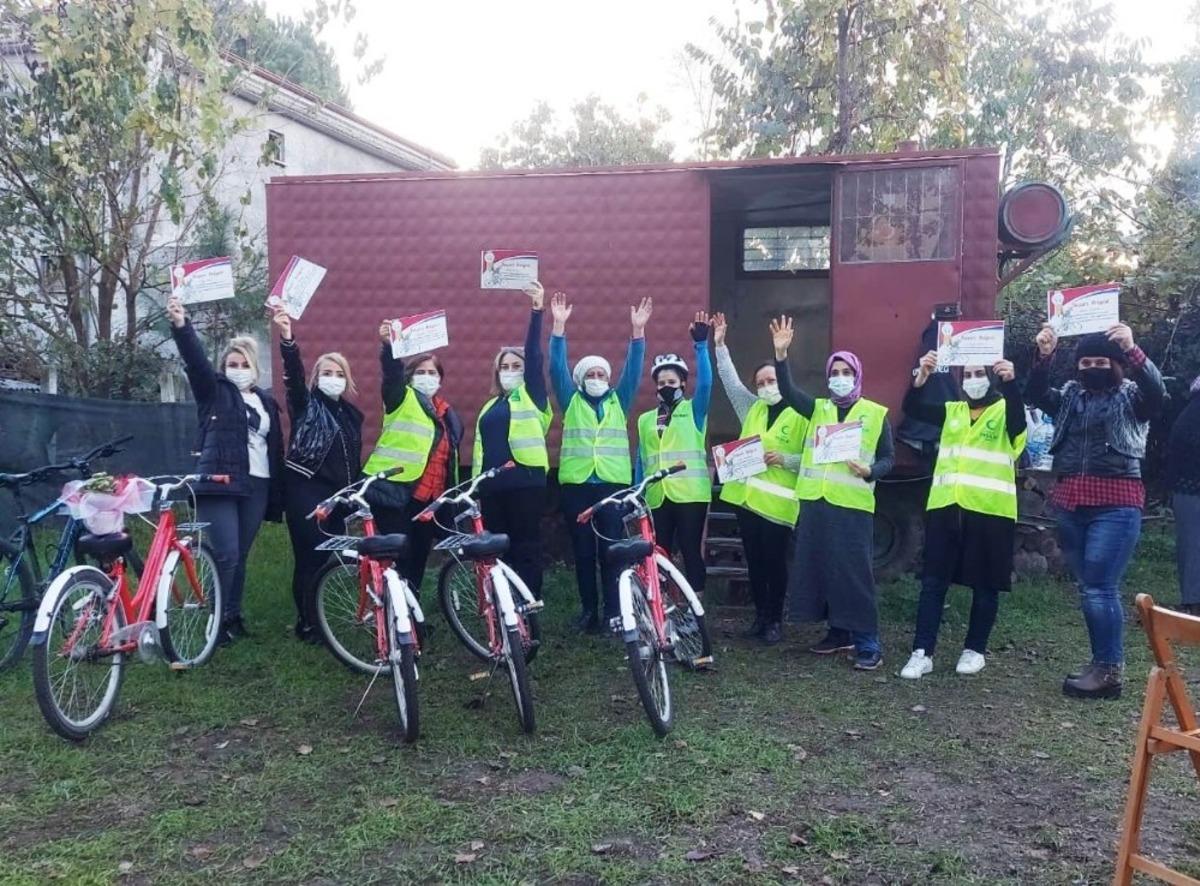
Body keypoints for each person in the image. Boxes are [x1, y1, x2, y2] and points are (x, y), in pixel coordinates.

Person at [1026, 323, 1165, 700]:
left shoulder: (1132, 395)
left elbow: (1158, 395)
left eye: (1100, 361)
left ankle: (1109, 671)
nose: (1092, 368)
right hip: (1072, 502)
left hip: (1116, 502)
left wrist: (1134, 349)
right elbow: (1035, 394)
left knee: (1100, 588)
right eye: (1085, 362)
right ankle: (1101, 663)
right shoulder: (1071, 395)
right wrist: (1044, 356)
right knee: (1090, 588)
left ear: (1116, 364)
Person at [770, 316, 894, 670]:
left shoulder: (874, 414)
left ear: (857, 375)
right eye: (835, 372)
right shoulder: (818, 409)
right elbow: (788, 392)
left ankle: (867, 641)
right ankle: (838, 632)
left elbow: (888, 458)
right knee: (823, 569)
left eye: (846, 372)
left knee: (854, 573)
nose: (840, 377)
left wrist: (871, 471)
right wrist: (781, 356)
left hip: (852, 507)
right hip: (816, 504)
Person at [899, 353, 1026, 679]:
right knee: (932, 582)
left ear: (991, 377)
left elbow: (1018, 426)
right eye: (967, 375)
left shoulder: (1005, 409)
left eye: (979, 373)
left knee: (986, 585)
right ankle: (922, 652)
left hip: (990, 511)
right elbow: (913, 408)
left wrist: (1011, 383)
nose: (972, 380)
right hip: (946, 508)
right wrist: (921, 377)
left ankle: (975, 650)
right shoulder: (953, 410)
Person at [167, 295, 283, 644]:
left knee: (240, 554)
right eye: (232, 363)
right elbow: (196, 362)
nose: (238, 368)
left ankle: (232, 615)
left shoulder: (266, 401)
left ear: (255, 368)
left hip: (257, 483)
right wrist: (181, 326)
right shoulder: (214, 391)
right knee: (226, 553)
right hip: (219, 481)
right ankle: (215, 622)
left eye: (244, 363)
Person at [551, 292, 653, 633]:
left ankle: (613, 611)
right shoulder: (570, 400)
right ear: (581, 380)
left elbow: (634, 372)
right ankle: (588, 611)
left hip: (612, 486)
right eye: (591, 374)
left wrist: (638, 333)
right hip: (578, 487)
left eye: (602, 374)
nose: (597, 378)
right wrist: (559, 328)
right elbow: (556, 368)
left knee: (611, 550)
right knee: (582, 552)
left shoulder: (619, 401)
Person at [711, 312, 807, 645]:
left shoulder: (802, 414)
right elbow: (730, 382)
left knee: (775, 564)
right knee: (754, 562)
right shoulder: (752, 408)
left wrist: (785, 459)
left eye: (772, 380)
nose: (766, 387)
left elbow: (813, 459)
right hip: (747, 502)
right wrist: (720, 346)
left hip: (778, 507)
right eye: (761, 383)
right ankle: (760, 617)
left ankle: (775, 620)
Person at [273, 307, 364, 642]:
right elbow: (293, 378)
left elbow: (351, 457)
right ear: (316, 377)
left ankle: (321, 618)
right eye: (326, 372)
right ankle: (308, 623)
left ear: (347, 379)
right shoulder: (306, 404)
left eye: (338, 372)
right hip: (306, 493)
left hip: (338, 496)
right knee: (311, 558)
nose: (332, 377)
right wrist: (288, 340)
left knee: (328, 560)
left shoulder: (351, 415)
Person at [361, 322, 463, 596]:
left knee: (418, 558)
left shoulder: (447, 413)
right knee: (399, 558)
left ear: (440, 379)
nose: (427, 376)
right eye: (421, 371)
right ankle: (392, 614)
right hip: (397, 492)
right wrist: (388, 347)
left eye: (432, 372)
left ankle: (412, 612)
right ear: (410, 376)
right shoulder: (401, 397)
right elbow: (391, 374)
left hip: (429, 500)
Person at [472, 283, 552, 600]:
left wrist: (536, 311)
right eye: (504, 367)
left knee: (526, 547)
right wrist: (476, 487)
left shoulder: (532, 396)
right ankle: (504, 609)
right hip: (492, 488)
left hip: (525, 483)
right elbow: (480, 449)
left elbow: (534, 355)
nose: (509, 371)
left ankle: (528, 605)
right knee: (497, 551)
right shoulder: (489, 406)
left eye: (515, 366)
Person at [635, 312, 714, 599]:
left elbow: (706, 384)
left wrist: (701, 346)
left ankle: (696, 604)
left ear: (682, 383)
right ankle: (663, 604)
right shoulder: (645, 420)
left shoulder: (694, 410)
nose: (666, 386)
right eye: (661, 382)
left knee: (691, 550)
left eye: (672, 381)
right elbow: (641, 459)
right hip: (657, 496)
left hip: (690, 494)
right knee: (659, 551)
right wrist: (636, 493)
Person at [1166, 374, 1200, 616]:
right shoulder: (1193, 415)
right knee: (1192, 544)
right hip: (1190, 486)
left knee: (1191, 544)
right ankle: (1193, 603)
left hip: (1186, 486)